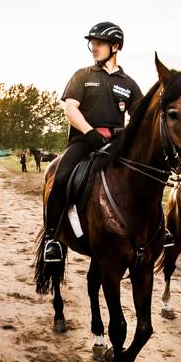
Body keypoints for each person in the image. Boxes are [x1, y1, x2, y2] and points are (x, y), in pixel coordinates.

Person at [42, 22, 143, 262]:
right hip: (84, 142)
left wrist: (126, 135)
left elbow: (139, 120)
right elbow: (70, 109)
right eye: (92, 43)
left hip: (117, 145)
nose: (94, 48)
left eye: (99, 43)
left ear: (115, 46)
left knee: (143, 178)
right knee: (61, 178)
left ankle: (158, 229)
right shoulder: (82, 76)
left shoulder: (129, 84)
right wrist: (90, 133)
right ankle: (52, 239)